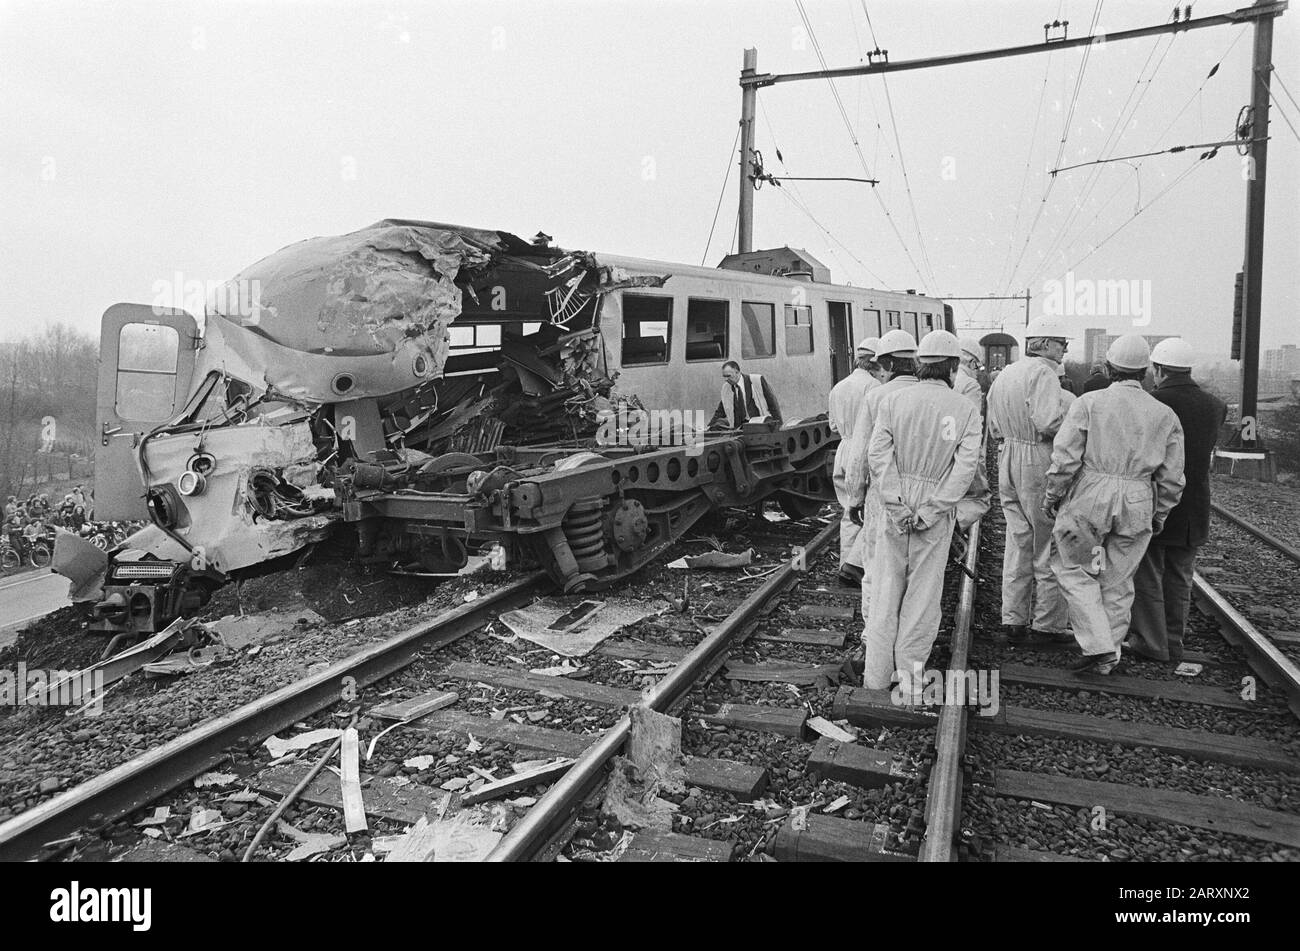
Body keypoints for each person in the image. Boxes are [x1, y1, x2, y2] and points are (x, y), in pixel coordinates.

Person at [1044, 334, 1185, 675]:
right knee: (1119, 580)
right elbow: (1172, 477)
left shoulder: (1089, 403)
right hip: (1138, 498)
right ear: (1146, 372)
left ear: (1108, 368)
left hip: (1092, 494)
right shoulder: (1165, 414)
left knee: (1074, 569)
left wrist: (1053, 494)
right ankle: (1109, 658)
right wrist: (1160, 512)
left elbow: (1066, 457)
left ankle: (1098, 646)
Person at [862, 330, 985, 692]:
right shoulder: (965, 409)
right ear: (952, 367)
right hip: (936, 503)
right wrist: (933, 508)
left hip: (895, 500)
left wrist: (895, 504)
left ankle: (876, 677)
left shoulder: (893, 401)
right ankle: (911, 679)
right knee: (923, 594)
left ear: (920, 364)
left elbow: (877, 456)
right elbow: (965, 469)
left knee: (886, 588)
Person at [1128, 339, 1227, 663]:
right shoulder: (1215, 405)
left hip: (1159, 497)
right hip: (1195, 503)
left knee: (1148, 572)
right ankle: (1174, 641)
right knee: (1181, 575)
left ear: (1159, 369)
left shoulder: (1152, 401)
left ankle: (1151, 642)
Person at [986, 315, 1073, 644]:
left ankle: (1013, 620)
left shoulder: (1007, 373)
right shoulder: (1044, 374)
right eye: (1062, 343)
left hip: (1007, 454)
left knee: (1017, 541)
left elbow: (992, 423)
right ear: (1047, 344)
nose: (1063, 349)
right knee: (1048, 544)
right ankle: (1047, 625)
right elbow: (1049, 423)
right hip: (1037, 457)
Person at [842, 330, 919, 616]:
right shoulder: (931, 393)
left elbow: (860, 454)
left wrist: (854, 498)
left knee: (875, 567)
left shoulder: (877, 396)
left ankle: (871, 638)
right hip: (922, 493)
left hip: (882, 492)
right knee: (914, 571)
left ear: (887, 365)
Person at [828, 338, 882, 586]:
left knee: (848, 510)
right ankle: (858, 566)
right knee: (868, 510)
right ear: (875, 362)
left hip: (843, 448)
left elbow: (832, 425)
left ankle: (845, 565)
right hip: (863, 450)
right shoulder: (873, 387)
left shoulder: (838, 387)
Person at [708, 361, 783, 430]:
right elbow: (721, 410)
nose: (726, 379)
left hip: (759, 426)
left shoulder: (756, 380)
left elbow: (773, 404)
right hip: (739, 429)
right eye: (724, 376)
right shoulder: (726, 388)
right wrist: (710, 427)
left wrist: (779, 426)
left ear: (737, 372)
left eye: (728, 376)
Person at [955, 337, 985, 413]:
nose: (977, 372)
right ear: (972, 363)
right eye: (977, 367)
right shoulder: (971, 385)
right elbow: (973, 420)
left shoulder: (945, 377)